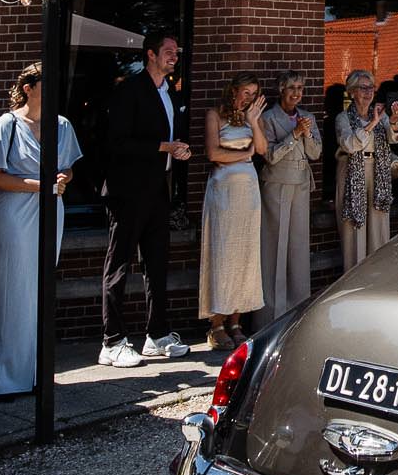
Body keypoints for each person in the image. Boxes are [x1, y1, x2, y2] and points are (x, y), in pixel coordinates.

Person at [0, 64, 78, 399]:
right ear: (28, 88)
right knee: (13, 291)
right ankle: (6, 379)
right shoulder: (6, 124)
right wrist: (40, 185)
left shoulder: (62, 125)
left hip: (51, 210)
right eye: (44, 84)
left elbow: (67, 168)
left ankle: (37, 373)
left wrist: (62, 179)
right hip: (15, 212)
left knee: (41, 289)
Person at [98, 29, 190, 368]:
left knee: (157, 262)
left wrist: (177, 150)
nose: (174, 56)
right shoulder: (130, 90)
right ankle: (112, 340)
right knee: (119, 263)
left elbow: (165, 138)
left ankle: (157, 334)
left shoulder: (170, 93)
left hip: (158, 188)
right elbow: (116, 143)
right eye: (168, 50)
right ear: (150, 54)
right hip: (127, 190)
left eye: (176, 51)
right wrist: (162, 147)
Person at [197, 76, 266, 350]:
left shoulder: (251, 116)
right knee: (223, 254)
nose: (249, 97)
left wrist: (253, 122)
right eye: (246, 91)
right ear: (234, 90)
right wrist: (244, 152)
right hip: (223, 191)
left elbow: (261, 149)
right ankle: (216, 324)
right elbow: (213, 153)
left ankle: (236, 322)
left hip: (248, 192)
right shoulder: (214, 115)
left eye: (254, 93)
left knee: (245, 255)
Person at [258, 74, 323, 318]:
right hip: (276, 185)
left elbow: (316, 153)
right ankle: (270, 314)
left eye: (300, 89)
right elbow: (270, 155)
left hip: (301, 185)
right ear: (281, 90)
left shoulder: (308, 117)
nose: (296, 93)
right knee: (274, 247)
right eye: (291, 88)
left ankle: (297, 311)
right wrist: (294, 134)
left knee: (297, 247)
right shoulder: (268, 118)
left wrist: (306, 133)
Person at [333, 70, 398, 271]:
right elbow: (350, 144)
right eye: (363, 88)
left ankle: (378, 280)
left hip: (377, 172)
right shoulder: (343, 118)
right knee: (355, 232)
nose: (368, 92)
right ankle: (354, 282)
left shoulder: (380, 114)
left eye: (371, 88)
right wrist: (372, 124)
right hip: (353, 171)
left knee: (378, 230)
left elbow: (394, 138)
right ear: (352, 91)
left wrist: (394, 120)